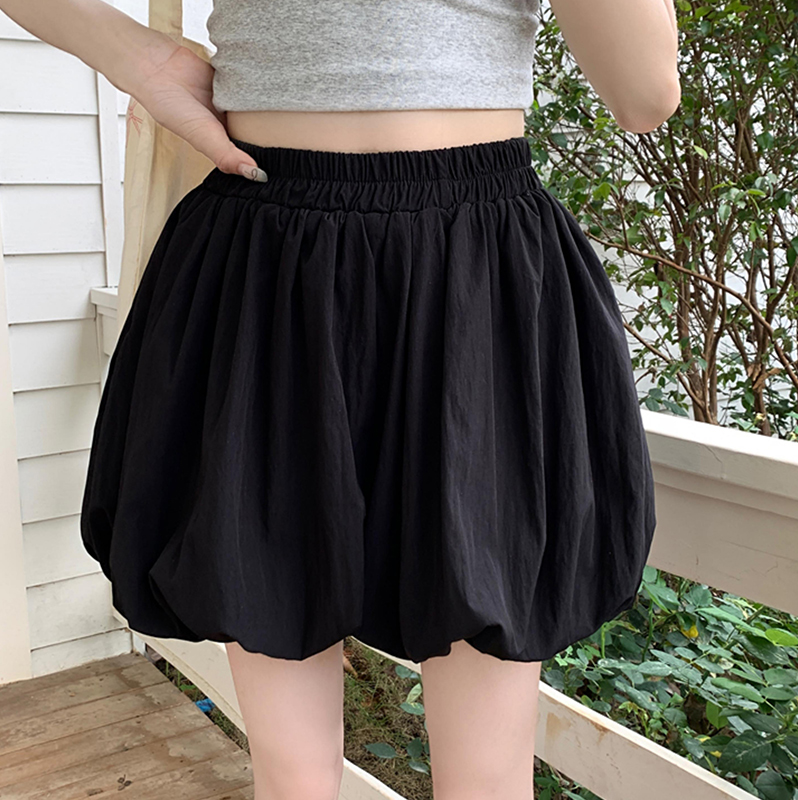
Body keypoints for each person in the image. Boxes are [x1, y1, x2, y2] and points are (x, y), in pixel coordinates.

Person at [1, 1, 679, 798]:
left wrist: (137, 58)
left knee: (370, 771)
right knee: (420, 774)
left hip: (404, 269)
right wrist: (137, 59)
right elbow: (645, 90)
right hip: (316, 260)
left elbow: (642, 96)